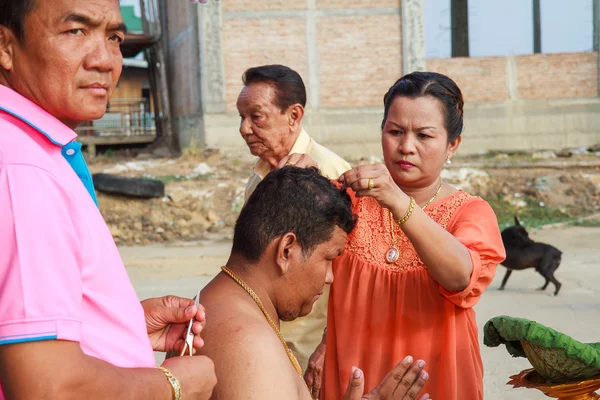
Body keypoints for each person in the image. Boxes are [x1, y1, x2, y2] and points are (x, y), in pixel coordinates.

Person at [0, 1, 216, 398]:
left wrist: (120, 324)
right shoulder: (22, 169)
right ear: (5, 45)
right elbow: (51, 389)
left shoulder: (33, 151)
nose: (105, 61)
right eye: (75, 31)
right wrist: (173, 384)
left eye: (114, 37)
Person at [307, 72, 506, 400]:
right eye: (395, 131)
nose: (406, 147)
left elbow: (460, 277)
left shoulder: (470, 212)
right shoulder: (352, 199)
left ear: (452, 144)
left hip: (437, 375)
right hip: (354, 373)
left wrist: (400, 202)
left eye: (424, 135)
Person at [194, 166, 431, 400]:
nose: (330, 277)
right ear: (287, 250)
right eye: (328, 258)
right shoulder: (251, 346)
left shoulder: (211, 304)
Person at [237, 64, 351, 371]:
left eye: (256, 116)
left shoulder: (332, 175)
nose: (244, 128)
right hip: (264, 338)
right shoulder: (259, 177)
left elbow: (355, 274)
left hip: (310, 347)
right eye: (241, 117)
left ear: (294, 116)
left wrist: (331, 343)